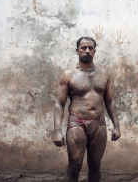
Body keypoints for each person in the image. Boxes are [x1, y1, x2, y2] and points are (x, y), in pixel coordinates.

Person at [52, 37, 121, 182]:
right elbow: (59, 103)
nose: (87, 51)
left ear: (95, 51)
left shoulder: (103, 74)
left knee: (95, 165)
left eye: (90, 48)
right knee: (75, 164)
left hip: (99, 123)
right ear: (77, 51)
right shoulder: (68, 75)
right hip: (77, 122)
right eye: (83, 48)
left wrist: (116, 126)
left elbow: (110, 101)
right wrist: (57, 130)